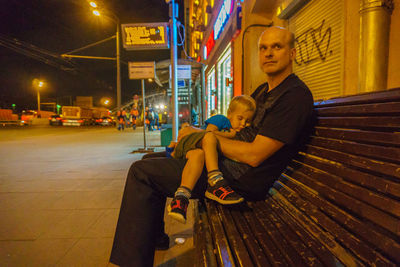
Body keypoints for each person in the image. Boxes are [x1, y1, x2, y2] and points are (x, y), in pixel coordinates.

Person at [110, 26, 314, 266]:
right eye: (263, 48)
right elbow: (240, 134)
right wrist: (202, 133)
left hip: (241, 178)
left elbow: (255, 155)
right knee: (148, 162)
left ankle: (132, 261)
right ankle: (155, 240)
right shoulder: (263, 91)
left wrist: (205, 138)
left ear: (292, 53)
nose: (268, 53)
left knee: (141, 173)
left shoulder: (294, 96)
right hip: (230, 164)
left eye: (277, 47)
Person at [166, 95, 256, 223]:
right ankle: (215, 180)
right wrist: (230, 135)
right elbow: (209, 132)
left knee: (198, 156)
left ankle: (180, 199)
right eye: (240, 118)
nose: (243, 124)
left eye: (247, 121)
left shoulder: (235, 130)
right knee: (209, 138)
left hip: (193, 149)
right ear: (230, 113)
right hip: (191, 140)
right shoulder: (221, 120)